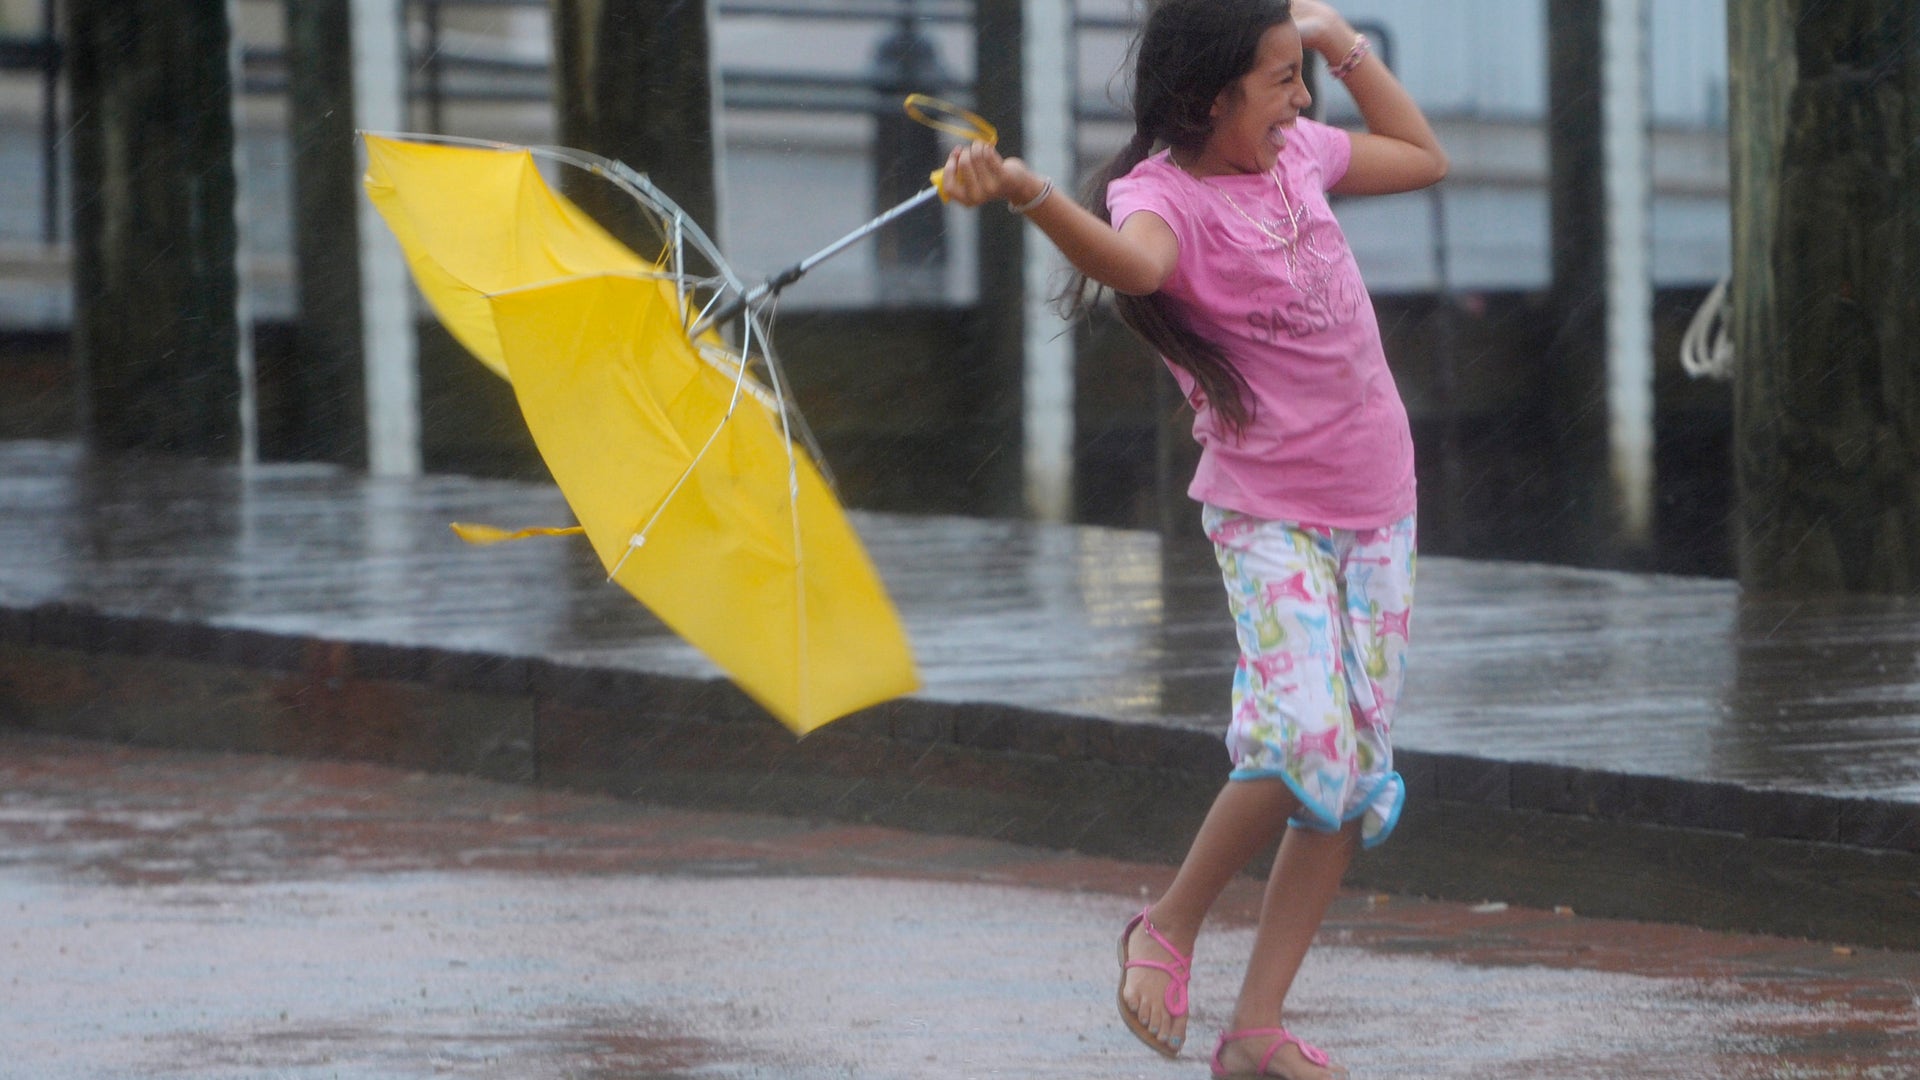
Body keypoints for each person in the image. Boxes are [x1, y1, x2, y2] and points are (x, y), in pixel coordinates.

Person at [940, 0, 1445, 1076]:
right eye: (1278, 80)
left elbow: (1422, 154)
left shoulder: (1298, 152)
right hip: (1270, 515)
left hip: (1380, 504)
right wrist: (1028, 190)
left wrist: (1335, 38)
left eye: (1298, 78)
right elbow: (1135, 268)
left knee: (1350, 777)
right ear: (1204, 98)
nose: (1299, 99)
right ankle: (1165, 926)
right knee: (1306, 736)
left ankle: (1256, 1029)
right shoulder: (1162, 195)